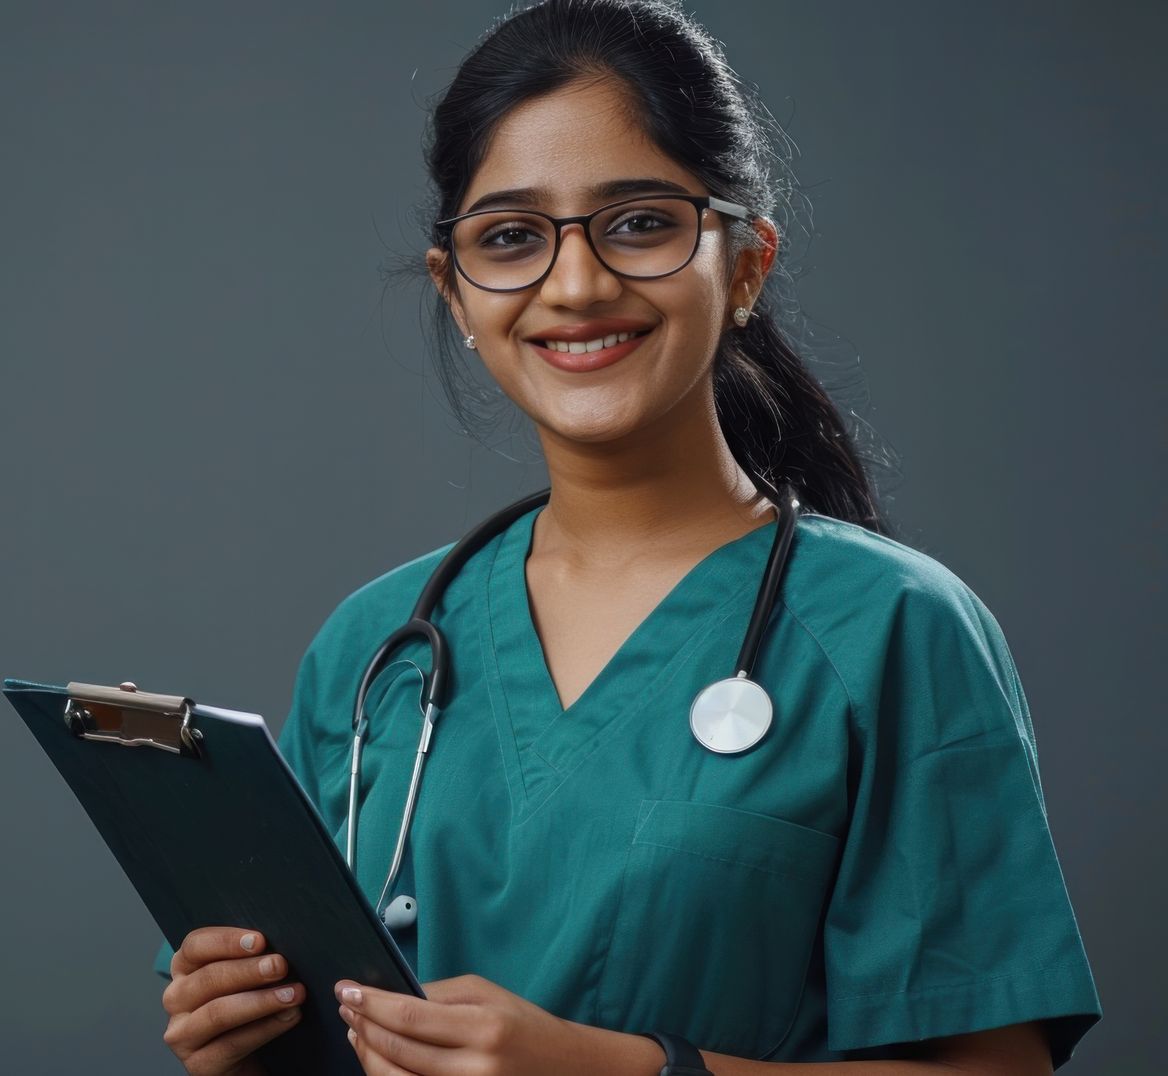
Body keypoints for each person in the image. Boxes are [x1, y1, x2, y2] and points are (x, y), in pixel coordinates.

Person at [150, 0, 1102, 1072]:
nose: (576, 283)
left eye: (639, 222)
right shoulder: (374, 652)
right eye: (510, 237)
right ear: (455, 289)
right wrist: (246, 1024)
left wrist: (620, 1069)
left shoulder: (893, 631)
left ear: (743, 264)